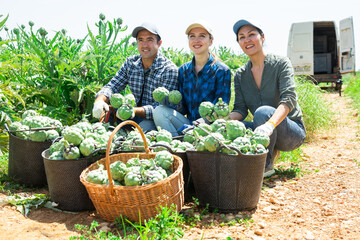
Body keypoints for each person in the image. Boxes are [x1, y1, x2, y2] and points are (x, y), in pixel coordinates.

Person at [230, 19, 306, 177]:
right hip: (261, 129)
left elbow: (289, 99)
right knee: (231, 128)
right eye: (242, 37)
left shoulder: (280, 63)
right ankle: (239, 165)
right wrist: (222, 121)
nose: (247, 40)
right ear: (239, 42)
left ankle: (265, 166)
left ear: (262, 37)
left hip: (290, 132)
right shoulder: (240, 74)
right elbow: (240, 109)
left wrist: (270, 124)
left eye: (251, 34)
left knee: (263, 112)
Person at [92, 22, 178, 132]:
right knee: (105, 121)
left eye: (150, 40)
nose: (144, 45)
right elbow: (112, 86)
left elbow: (161, 109)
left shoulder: (168, 69)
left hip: (152, 119)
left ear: (159, 43)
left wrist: (132, 110)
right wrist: (100, 101)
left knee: (139, 135)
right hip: (130, 114)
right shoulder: (131, 63)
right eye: (140, 40)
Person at [153, 20, 231, 136]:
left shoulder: (222, 71)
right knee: (159, 111)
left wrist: (202, 122)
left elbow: (221, 109)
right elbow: (183, 109)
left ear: (211, 41)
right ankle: (178, 147)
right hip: (188, 125)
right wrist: (171, 102)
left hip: (211, 129)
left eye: (202, 36)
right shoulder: (183, 70)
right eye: (192, 36)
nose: (196, 40)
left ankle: (189, 144)